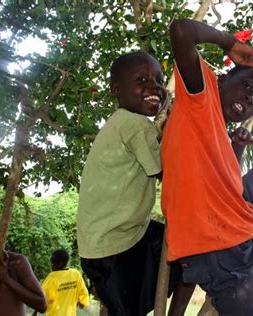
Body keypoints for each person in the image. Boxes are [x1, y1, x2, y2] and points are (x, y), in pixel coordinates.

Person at [161, 18, 253, 316]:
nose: (251, 98)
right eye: (247, 85)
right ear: (223, 79)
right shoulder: (201, 94)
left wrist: (235, 148)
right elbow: (182, 30)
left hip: (234, 238)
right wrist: (230, 44)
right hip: (224, 245)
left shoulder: (218, 137)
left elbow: (227, 188)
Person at [77, 51, 189, 315]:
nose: (154, 86)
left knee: (178, 248)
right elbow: (166, 171)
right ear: (117, 89)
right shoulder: (135, 124)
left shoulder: (120, 123)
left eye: (159, 80)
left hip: (117, 238)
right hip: (113, 247)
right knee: (183, 250)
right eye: (141, 79)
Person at [35, 249, 89, 316]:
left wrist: (35, 312)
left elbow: (42, 298)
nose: (51, 265)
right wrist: (82, 303)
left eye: (52, 263)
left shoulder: (52, 278)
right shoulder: (75, 274)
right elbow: (83, 292)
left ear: (60, 263)